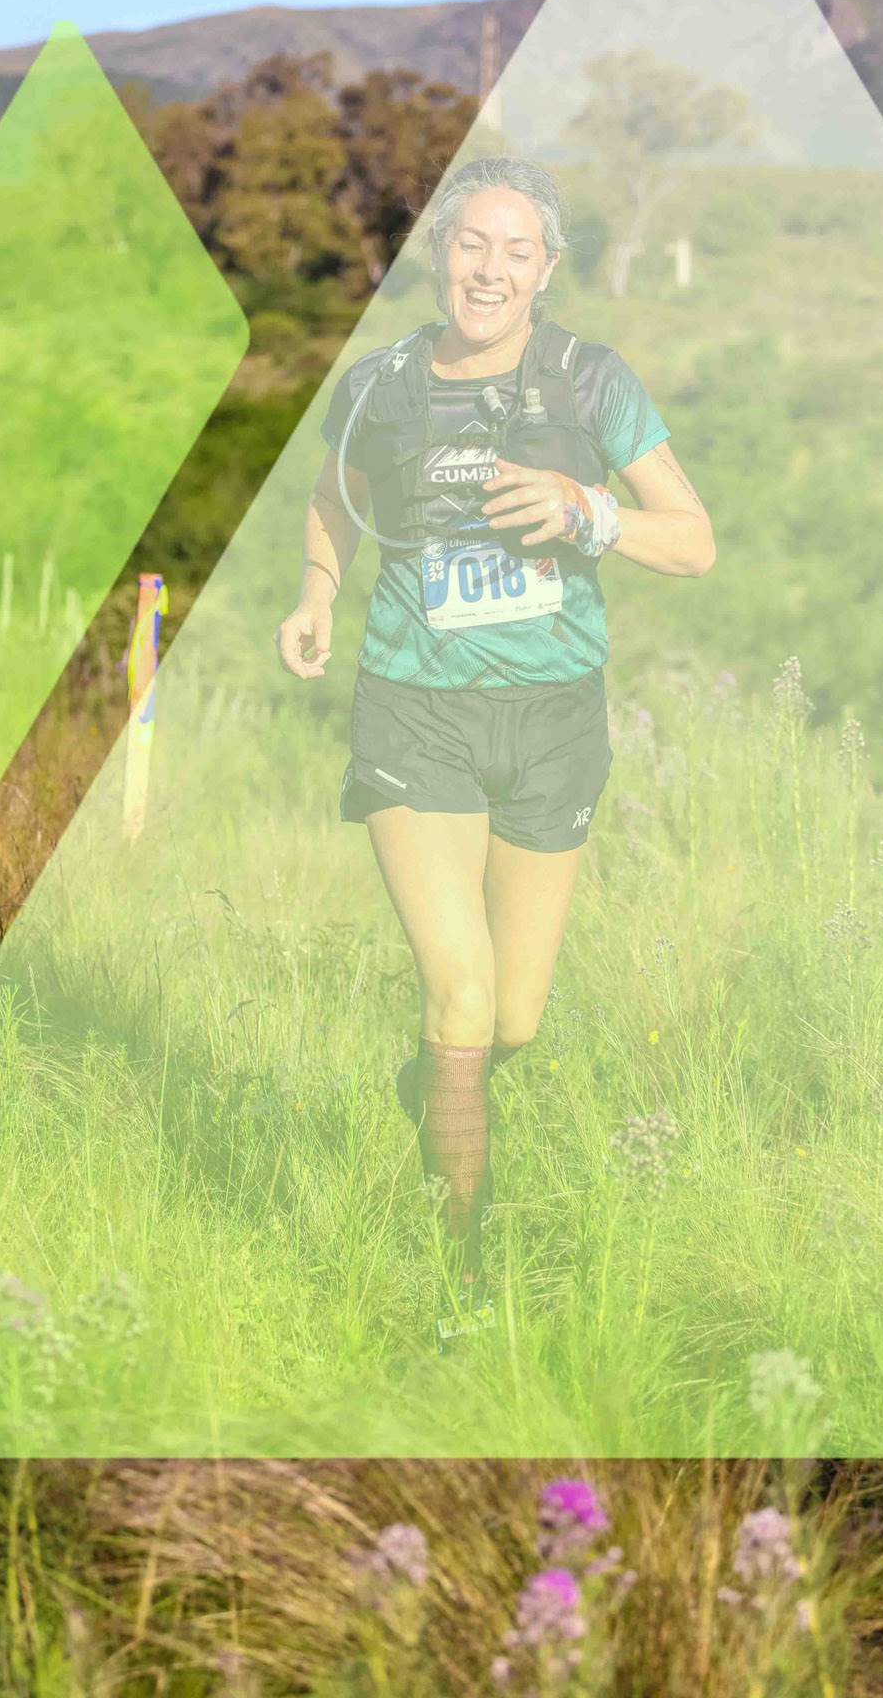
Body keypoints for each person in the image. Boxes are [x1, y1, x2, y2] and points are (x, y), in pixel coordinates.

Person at [275, 156, 714, 1345]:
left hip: (554, 722)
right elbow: (333, 496)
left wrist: (586, 511)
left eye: (517, 250)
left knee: (511, 1018)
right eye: (472, 242)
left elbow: (694, 540)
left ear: (547, 268)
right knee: (459, 989)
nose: (490, 268)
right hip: (414, 709)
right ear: (437, 252)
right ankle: (457, 1279)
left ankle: (438, 1086)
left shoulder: (591, 380)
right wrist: (317, 593)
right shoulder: (377, 385)